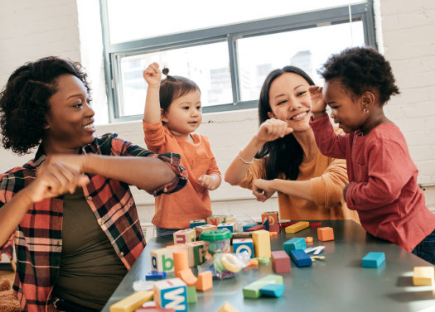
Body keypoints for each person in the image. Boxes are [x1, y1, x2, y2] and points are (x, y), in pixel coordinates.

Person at [0, 56, 188, 312]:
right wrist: (25, 197)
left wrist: (86, 163)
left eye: (88, 100)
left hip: (144, 299)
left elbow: (172, 173)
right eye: (77, 105)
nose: (90, 111)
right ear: (44, 118)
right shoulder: (16, 183)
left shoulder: (108, 149)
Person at [309, 46, 435, 264]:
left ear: (365, 101)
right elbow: (329, 145)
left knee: (416, 294)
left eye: (335, 107)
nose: (334, 115)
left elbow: (383, 190)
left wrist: (349, 191)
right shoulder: (357, 135)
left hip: (414, 239)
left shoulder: (383, 140)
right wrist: (318, 113)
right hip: (390, 235)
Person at [224, 66, 358, 222]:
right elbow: (233, 177)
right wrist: (258, 140)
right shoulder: (281, 159)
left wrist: (275, 185)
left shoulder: (344, 139)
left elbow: (335, 190)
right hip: (298, 246)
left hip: (346, 245)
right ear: (273, 115)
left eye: (301, 93)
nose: (294, 105)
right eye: (282, 101)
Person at [142, 63, 221, 236]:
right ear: (164, 115)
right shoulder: (162, 142)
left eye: (198, 107)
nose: (194, 113)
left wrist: (212, 180)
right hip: (171, 226)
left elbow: (215, 172)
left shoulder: (204, 142)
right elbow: (151, 123)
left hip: (203, 222)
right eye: (186, 108)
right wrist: (153, 87)